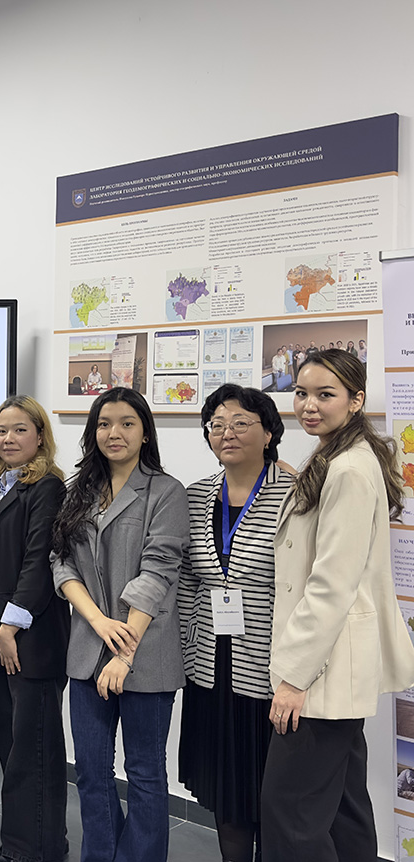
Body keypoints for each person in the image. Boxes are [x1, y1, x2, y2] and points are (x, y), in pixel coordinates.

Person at [261, 349, 414, 861]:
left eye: (325, 395)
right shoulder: (336, 457)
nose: (309, 405)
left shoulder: (347, 469)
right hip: (338, 668)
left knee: (290, 816)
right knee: (345, 809)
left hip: (322, 671)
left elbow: (331, 584)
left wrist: (293, 678)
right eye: (301, 393)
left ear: (356, 400)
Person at [51, 387, 187, 862]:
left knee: (145, 773)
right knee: (91, 771)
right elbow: (61, 563)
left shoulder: (166, 492)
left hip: (145, 653)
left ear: (145, 432)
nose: (115, 433)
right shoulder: (80, 492)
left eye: (127, 423)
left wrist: (124, 652)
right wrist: (96, 621)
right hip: (89, 650)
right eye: (105, 424)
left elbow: (158, 573)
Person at [177, 385, 291, 862]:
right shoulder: (195, 495)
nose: (228, 433)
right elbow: (186, 580)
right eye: (217, 425)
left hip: (270, 670)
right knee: (225, 788)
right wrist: (185, 647)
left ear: (268, 433)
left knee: (274, 794)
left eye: (241, 423)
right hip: (209, 667)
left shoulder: (295, 494)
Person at [0, 396, 68, 862]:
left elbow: (39, 560)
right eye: (1, 430)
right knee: (12, 747)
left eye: (19, 430)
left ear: (40, 436)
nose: (7, 438)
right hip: (1, 639)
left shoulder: (46, 486)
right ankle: (24, 843)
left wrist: (11, 624)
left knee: (34, 753)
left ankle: (34, 850)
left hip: (29, 640)